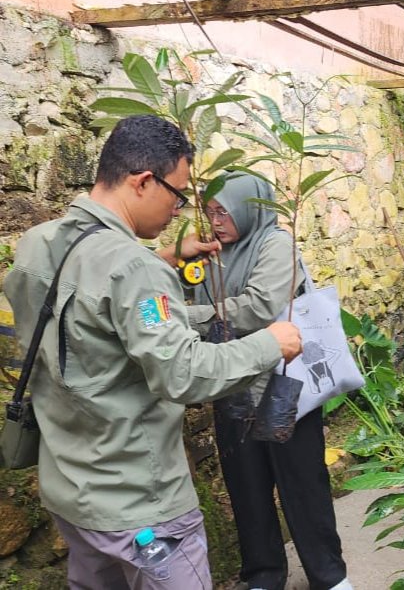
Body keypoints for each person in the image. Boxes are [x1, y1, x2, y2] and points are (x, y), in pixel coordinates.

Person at [4, 115, 302, 589]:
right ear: (143, 181)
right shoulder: (135, 268)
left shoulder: (38, 244)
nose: (179, 210)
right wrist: (270, 343)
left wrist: (164, 261)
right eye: (178, 194)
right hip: (140, 502)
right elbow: (183, 374)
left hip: (70, 491)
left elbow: (94, 319)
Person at [186, 174, 351, 590]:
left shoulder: (276, 244)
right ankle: (263, 575)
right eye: (210, 212)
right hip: (233, 384)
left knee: (303, 483)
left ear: (249, 206)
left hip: (283, 384)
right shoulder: (212, 252)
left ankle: (329, 575)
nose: (216, 220)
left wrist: (197, 317)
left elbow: (261, 305)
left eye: (223, 210)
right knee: (247, 487)